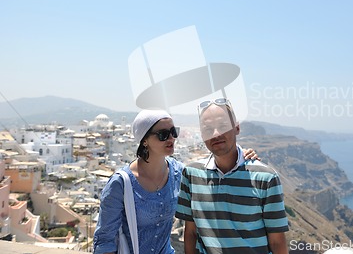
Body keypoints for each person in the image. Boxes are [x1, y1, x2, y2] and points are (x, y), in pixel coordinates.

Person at [94, 109, 259, 254]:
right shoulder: (121, 184)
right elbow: (104, 240)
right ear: (144, 140)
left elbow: (210, 171)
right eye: (163, 134)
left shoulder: (178, 173)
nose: (171, 138)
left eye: (173, 131)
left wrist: (240, 154)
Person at [175, 98, 289, 254]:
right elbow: (191, 233)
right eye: (208, 129)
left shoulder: (266, 178)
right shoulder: (191, 174)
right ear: (201, 134)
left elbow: (277, 242)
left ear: (237, 128)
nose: (216, 134)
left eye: (223, 126)